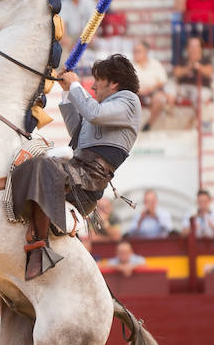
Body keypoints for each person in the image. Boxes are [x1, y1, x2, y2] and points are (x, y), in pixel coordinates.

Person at [10, 54, 141, 280]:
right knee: (24, 164)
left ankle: (40, 247)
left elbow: (92, 113)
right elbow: (77, 132)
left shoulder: (128, 101)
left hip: (89, 179)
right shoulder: (105, 109)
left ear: (114, 83)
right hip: (78, 172)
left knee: (41, 166)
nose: (93, 85)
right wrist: (68, 91)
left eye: (98, 80)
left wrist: (76, 85)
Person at [132, 40, 168, 131]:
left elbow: (163, 80)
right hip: (135, 92)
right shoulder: (130, 65)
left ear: (146, 52)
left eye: (138, 51)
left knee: (160, 99)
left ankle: (148, 124)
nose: (136, 53)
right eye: (135, 51)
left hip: (152, 91)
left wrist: (151, 88)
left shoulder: (155, 63)